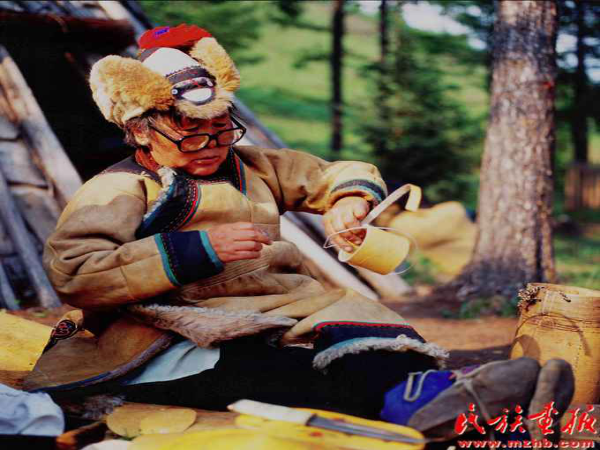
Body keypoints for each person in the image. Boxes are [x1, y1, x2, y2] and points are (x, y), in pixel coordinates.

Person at [23, 24, 574, 441]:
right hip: (176, 327)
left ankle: (454, 398)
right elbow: (75, 272)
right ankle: (448, 407)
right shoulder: (117, 188)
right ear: (142, 131)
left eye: (222, 129)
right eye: (191, 135)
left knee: (365, 338)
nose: (212, 146)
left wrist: (349, 202)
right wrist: (195, 249)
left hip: (280, 307)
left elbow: (335, 173)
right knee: (274, 373)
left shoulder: (253, 165)